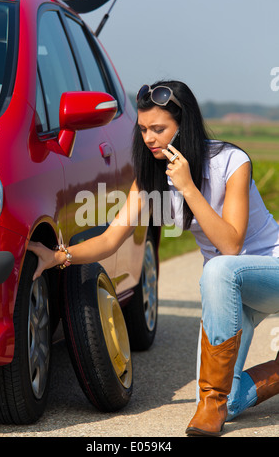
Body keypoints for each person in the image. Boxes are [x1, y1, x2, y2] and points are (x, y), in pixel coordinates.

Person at [28, 80, 279, 437]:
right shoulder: (150, 178)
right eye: (144, 129)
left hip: (270, 270)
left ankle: (211, 401)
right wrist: (58, 256)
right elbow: (111, 239)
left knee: (219, 268)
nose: (149, 138)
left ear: (184, 126)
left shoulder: (231, 162)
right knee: (230, 402)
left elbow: (231, 246)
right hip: (229, 290)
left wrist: (188, 187)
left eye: (159, 129)